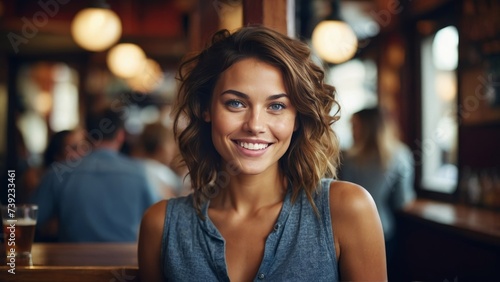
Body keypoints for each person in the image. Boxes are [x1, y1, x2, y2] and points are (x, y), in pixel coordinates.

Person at [138, 26, 387, 281]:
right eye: (236, 103)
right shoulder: (160, 226)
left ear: (297, 119)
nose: (255, 125)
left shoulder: (347, 209)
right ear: (206, 109)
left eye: (276, 106)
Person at [32, 107, 161, 242]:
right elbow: (159, 221)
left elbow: (31, 220)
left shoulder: (59, 173)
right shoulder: (140, 173)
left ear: (86, 135)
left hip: (71, 261)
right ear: (120, 135)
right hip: (125, 260)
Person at [337, 107, 416, 280]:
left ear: (368, 128)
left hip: (345, 231)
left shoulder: (347, 158)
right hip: (384, 230)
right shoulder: (401, 155)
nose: (352, 131)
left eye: (355, 126)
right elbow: (403, 201)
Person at [131, 122, 183, 199]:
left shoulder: (134, 166)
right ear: (161, 148)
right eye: (170, 143)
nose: (173, 149)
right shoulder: (165, 175)